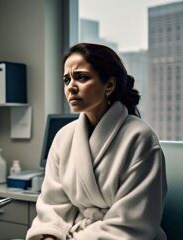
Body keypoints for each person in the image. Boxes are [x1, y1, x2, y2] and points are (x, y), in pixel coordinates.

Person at [26, 43, 167, 240]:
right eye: (67, 80)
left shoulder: (140, 138)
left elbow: (134, 222)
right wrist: (50, 236)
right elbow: (52, 205)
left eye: (81, 77)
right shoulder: (63, 137)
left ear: (109, 85)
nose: (71, 87)